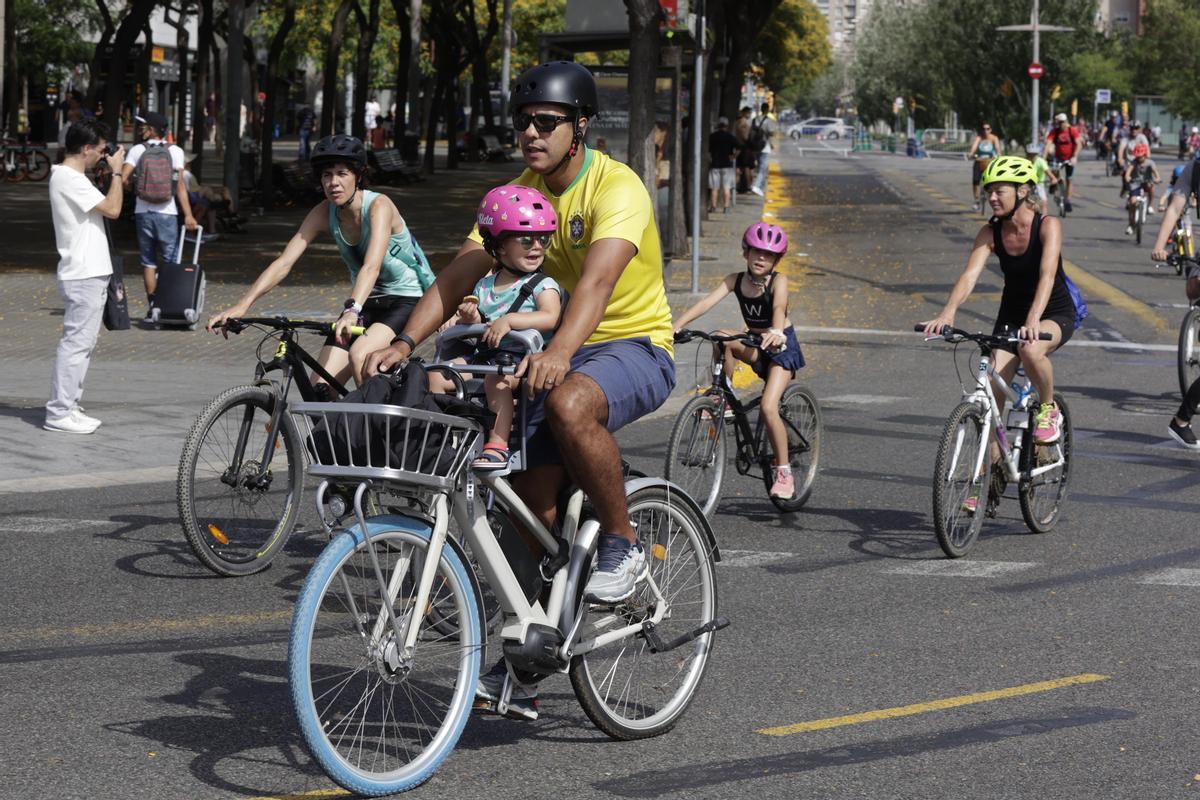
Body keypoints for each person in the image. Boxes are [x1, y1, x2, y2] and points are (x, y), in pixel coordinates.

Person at [362, 61, 675, 720]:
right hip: (546, 353)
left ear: (581, 126)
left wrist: (561, 352)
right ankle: (529, 658)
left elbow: (595, 286)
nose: (531, 133)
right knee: (526, 513)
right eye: (524, 123)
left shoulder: (616, 189)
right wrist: (403, 343)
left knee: (569, 403)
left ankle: (621, 542)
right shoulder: (517, 194)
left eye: (547, 123)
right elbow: (455, 278)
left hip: (633, 345)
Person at [207, 134, 435, 389]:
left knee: (360, 355)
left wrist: (351, 311)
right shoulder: (323, 212)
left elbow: (371, 267)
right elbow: (284, 262)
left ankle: (374, 427)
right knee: (321, 389)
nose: (333, 182)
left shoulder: (379, 206)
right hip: (365, 303)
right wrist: (242, 305)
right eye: (327, 175)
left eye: (342, 173)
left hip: (404, 300)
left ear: (358, 175)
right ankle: (345, 427)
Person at [921, 156, 1078, 511]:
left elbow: (1048, 276)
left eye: (999, 191)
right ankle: (989, 479)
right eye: (989, 190)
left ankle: (1048, 410)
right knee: (991, 395)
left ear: (1023, 191)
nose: (992, 197)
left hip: (1053, 312)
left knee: (1031, 351)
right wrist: (948, 312)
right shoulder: (990, 232)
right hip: (1012, 316)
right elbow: (969, 276)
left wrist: (1035, 320)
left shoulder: (1047, 225)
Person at [670, 222, 806, 499]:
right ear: (745, 253)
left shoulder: (778, 281)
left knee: (768, 407)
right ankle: (724, 394)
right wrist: (677, 324)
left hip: (781, 348)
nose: (760, 258)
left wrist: (777, 331)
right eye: (756, 251)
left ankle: (784, 471)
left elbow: (778, 306)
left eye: (768, 255)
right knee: (721, 336)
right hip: (756, 342)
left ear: (776, 260)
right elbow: (707, 303)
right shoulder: (735, 280)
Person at [448, 185, 565, 470]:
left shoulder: (541, 285)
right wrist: (469, 319)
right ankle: (448, 438)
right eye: (526, 240)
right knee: (441, 374)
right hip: (487, 355)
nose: (537, 247)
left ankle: (497, 445)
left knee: (495, 382)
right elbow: (485, 322)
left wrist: (511, 321)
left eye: (543, 240)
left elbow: (551, 316)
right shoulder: (485, 284)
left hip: (520, 361)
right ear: (498, 246)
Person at [45, 120, 126, 434]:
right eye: (102, 150)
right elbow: (114, 209)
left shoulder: (72, 177)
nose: (103, 156)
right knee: (76, 345)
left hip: (89, 271)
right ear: (87, 148)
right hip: (83, 273)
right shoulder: (68, 178)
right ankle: (58, 412)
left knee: (83, 344)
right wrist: (117, 172)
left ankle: (69, 404)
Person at [120, 111, 198, 323]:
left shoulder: (137, 150)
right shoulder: (175, 151)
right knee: (171, 260)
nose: (140, 129)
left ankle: (152, 306)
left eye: (143, 126)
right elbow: (180, 186)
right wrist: (189, 215)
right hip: (168, 212)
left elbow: (123, 179)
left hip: (143, 212)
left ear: (152, 129)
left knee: (148, 261)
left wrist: (131, 187)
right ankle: (167, 305)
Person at [1151, 155, 1200, 449]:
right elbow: (1175, 206)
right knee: (1193, 288)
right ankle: (1181, 421)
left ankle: (1181, 420)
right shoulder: (1194, 168)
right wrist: (1159, 246)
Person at [1045, 112, 1082, 212]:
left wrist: (1075, 156)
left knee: (1069, 179)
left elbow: (1079, 144)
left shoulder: (1072, 130)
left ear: (1066, 122)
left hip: (1070, 158)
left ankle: (1068, 201)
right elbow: (1048, 143)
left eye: (1062, 122)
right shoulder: (1055, 131)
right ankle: (1054, 185)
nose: (1061, 124)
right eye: (1059, 122)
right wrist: (1043, 158)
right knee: (1054, 172)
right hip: (1058, 158)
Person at [1123, 142, 1160, 235]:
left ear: (1145, 155)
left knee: (1151, 188)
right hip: (1136, 183)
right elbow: (1129, 171)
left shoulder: (1150, 163)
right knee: (1132, 202)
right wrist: (1127, 177)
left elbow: (1156, 173)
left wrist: (1157, 179)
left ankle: (1150, 206)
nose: (1139, 158)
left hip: (1147, 182)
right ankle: (1131, 224)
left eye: (1141, 156)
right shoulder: (1134, 162)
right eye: (1137, 156)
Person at [966, 122, 1001, 209]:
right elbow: (974, 147)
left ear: (990, 130)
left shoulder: (994, 138)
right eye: (984, 129)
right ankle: (977, 200)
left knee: (993, 181)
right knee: (975, 181)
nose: (985, 131)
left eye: (987, 129)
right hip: (979, 161)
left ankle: (994, 198)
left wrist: (998, 155)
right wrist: (971, 154)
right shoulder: (979, 138)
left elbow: (998, 149)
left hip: (990, 162)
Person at [708, 116, 739, 213]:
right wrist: (734, 156)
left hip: (715, 164)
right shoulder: (730, 137)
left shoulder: (712, 136)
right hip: (727, 165)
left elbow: (708, 150)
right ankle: (726, 207)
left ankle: (713, 207)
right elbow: (739, 147)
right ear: (727, 126)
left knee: (714, 188)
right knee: (727, 187)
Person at [749, 102, 777, 197]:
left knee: (760, 167)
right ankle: (756, 186)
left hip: (755, 146)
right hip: (764, 146)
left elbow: (751, 131)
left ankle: (760, 188)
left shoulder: (755, 119)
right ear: (767, 110)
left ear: (761, 109)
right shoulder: (768, 121)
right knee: (763, 168)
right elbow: (772, 133)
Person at [1025, 142, 1057, 208]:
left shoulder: (1040, 161)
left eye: (1034, 154)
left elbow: (1048, 172)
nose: (1031, 156)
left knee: (1043, 201)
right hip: (1028, 184)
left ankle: (1044, 217)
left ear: (1036, 154)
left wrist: (1053, 178)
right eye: (1030, 154)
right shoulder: (1026, 162)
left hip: (1039, 184)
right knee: (1025, 202)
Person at [734, 106, 755, 192]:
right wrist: (749, 141)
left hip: (742, 146)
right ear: (743, 113)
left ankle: (742, 185)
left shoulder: (739, 121)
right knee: (746, 167)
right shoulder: (743, 122)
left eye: (750, 113)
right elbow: (744, 135)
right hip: (744, 147)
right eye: (748, 113)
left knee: (742, 167)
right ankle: (747, 185)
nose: (749, 115)